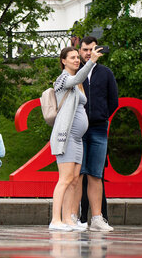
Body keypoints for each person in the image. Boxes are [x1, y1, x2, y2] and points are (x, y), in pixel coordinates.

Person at [49, 46, 102, 231]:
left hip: (78, 138)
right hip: (67, 136)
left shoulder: (75, 81)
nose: (76, 60)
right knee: (64, 179)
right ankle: (55, 220)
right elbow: (79, 77)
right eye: (72, 58)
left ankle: (68, 219)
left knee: (74, 180)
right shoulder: (63, 78)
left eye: (76, 57)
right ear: (63, 61)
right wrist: (92, 61)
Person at [75, 36, 119, 231]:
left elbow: (114, 100)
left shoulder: (106, 73)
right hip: (78, 129)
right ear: (80, 50)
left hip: (99, 127)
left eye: (92, 49)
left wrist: (102, 115)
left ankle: (98, 218)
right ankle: (75, 218)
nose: (88, 53)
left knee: (96, 173)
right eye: (85, 49)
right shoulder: (75, 73)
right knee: (78, 174)